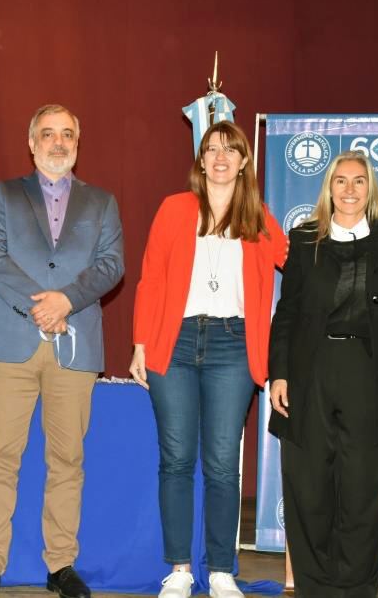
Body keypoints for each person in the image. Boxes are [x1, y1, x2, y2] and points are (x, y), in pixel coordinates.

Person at [0, 104, 124, 598]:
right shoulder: (4, 194)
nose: (58, 142)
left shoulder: (101, 202)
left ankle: (60, 565)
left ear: (78, 142)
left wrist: (67, 301)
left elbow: (111, 264)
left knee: (67, 459)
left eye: (68, 134)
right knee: (0, 459)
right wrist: (43, 305)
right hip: (12, 340)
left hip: (75, 347)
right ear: (31, 143)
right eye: (48, 134)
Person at [129, 120, 287, 598]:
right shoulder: (175, 209)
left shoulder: (257, 215)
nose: (220, 157)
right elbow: (150, 277)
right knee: (175, 459)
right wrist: (140, 343)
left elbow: (298, 260)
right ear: (200, 161)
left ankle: (221, 570)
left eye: (230, 150)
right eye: (212, 149)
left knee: (221, 464)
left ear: (243, 163)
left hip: (233, 346)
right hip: (172, 343)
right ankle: (179, 570)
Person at [267, 151, 378, 597]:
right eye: (340, 181)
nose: (349, 190)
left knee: (364, 487)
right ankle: (314, 587)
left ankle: (357, 588)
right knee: (308, 487)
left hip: (370, 373)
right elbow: (286, 313)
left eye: (359, 182)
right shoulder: (305, 239)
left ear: (371, 189)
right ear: (328, 188)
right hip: (311, 374)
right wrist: (280, 373)